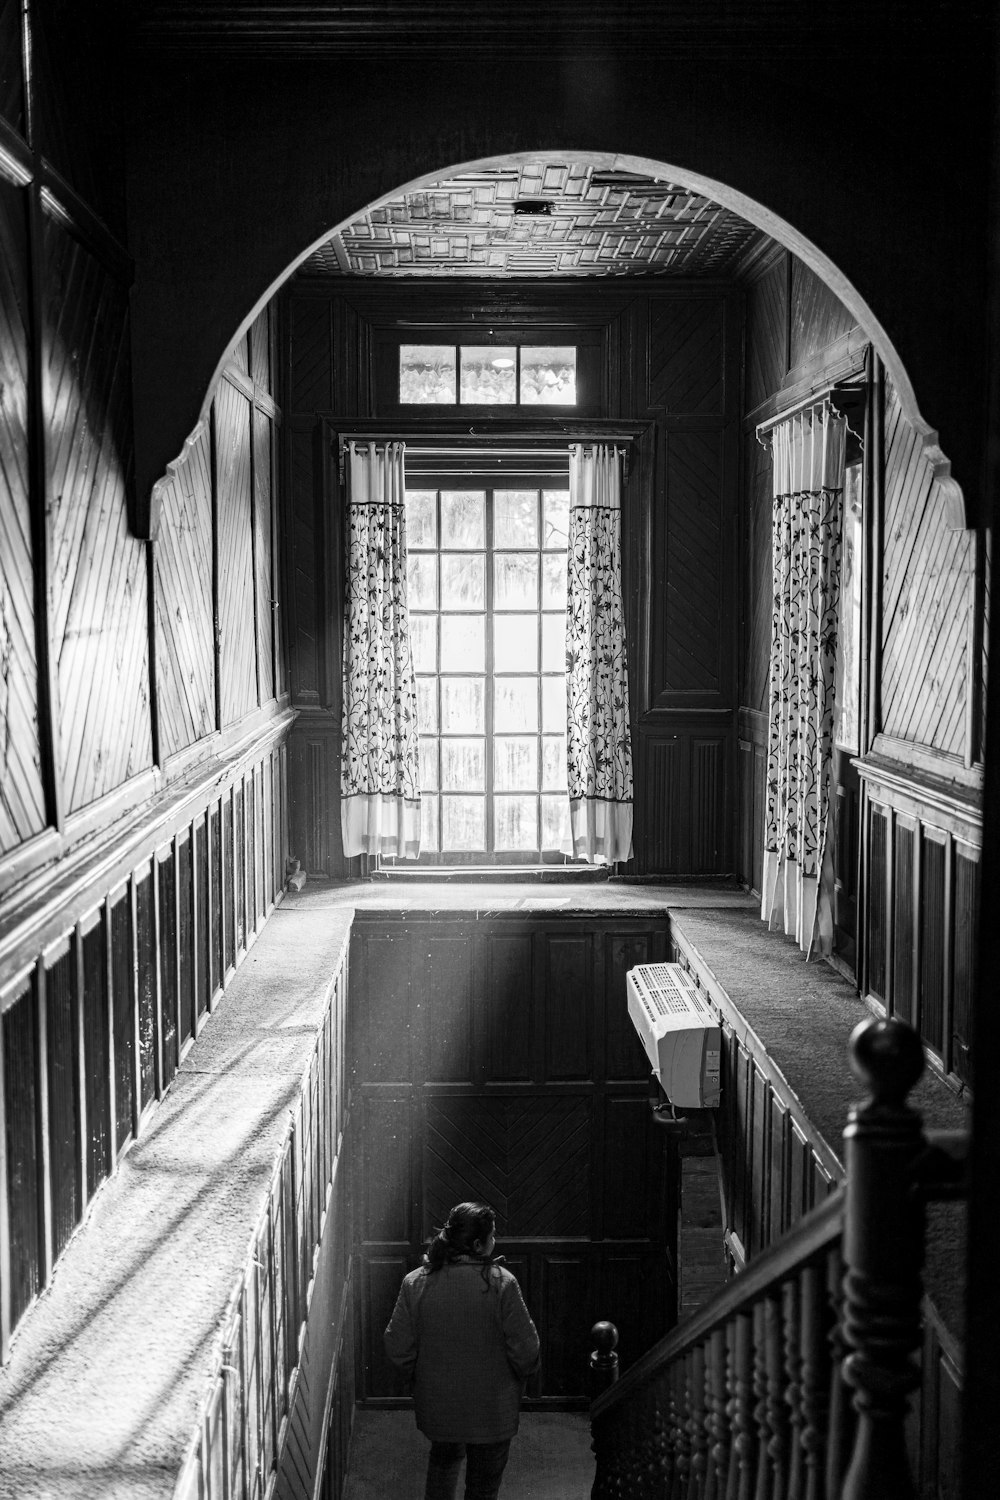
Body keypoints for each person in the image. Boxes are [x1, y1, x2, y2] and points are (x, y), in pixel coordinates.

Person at [384, 1201, 540, 1500]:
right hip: (493, 1408)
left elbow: (397, 1345)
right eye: (493, 1236)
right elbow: (527, 1349)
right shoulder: (503, 1284)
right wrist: (518, 1379)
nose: (496, 1242)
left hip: (440, 1404)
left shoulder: (416, 1282)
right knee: (483, 1487)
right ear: (479, 1244)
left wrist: (421, 1379)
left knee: (442, 1464)